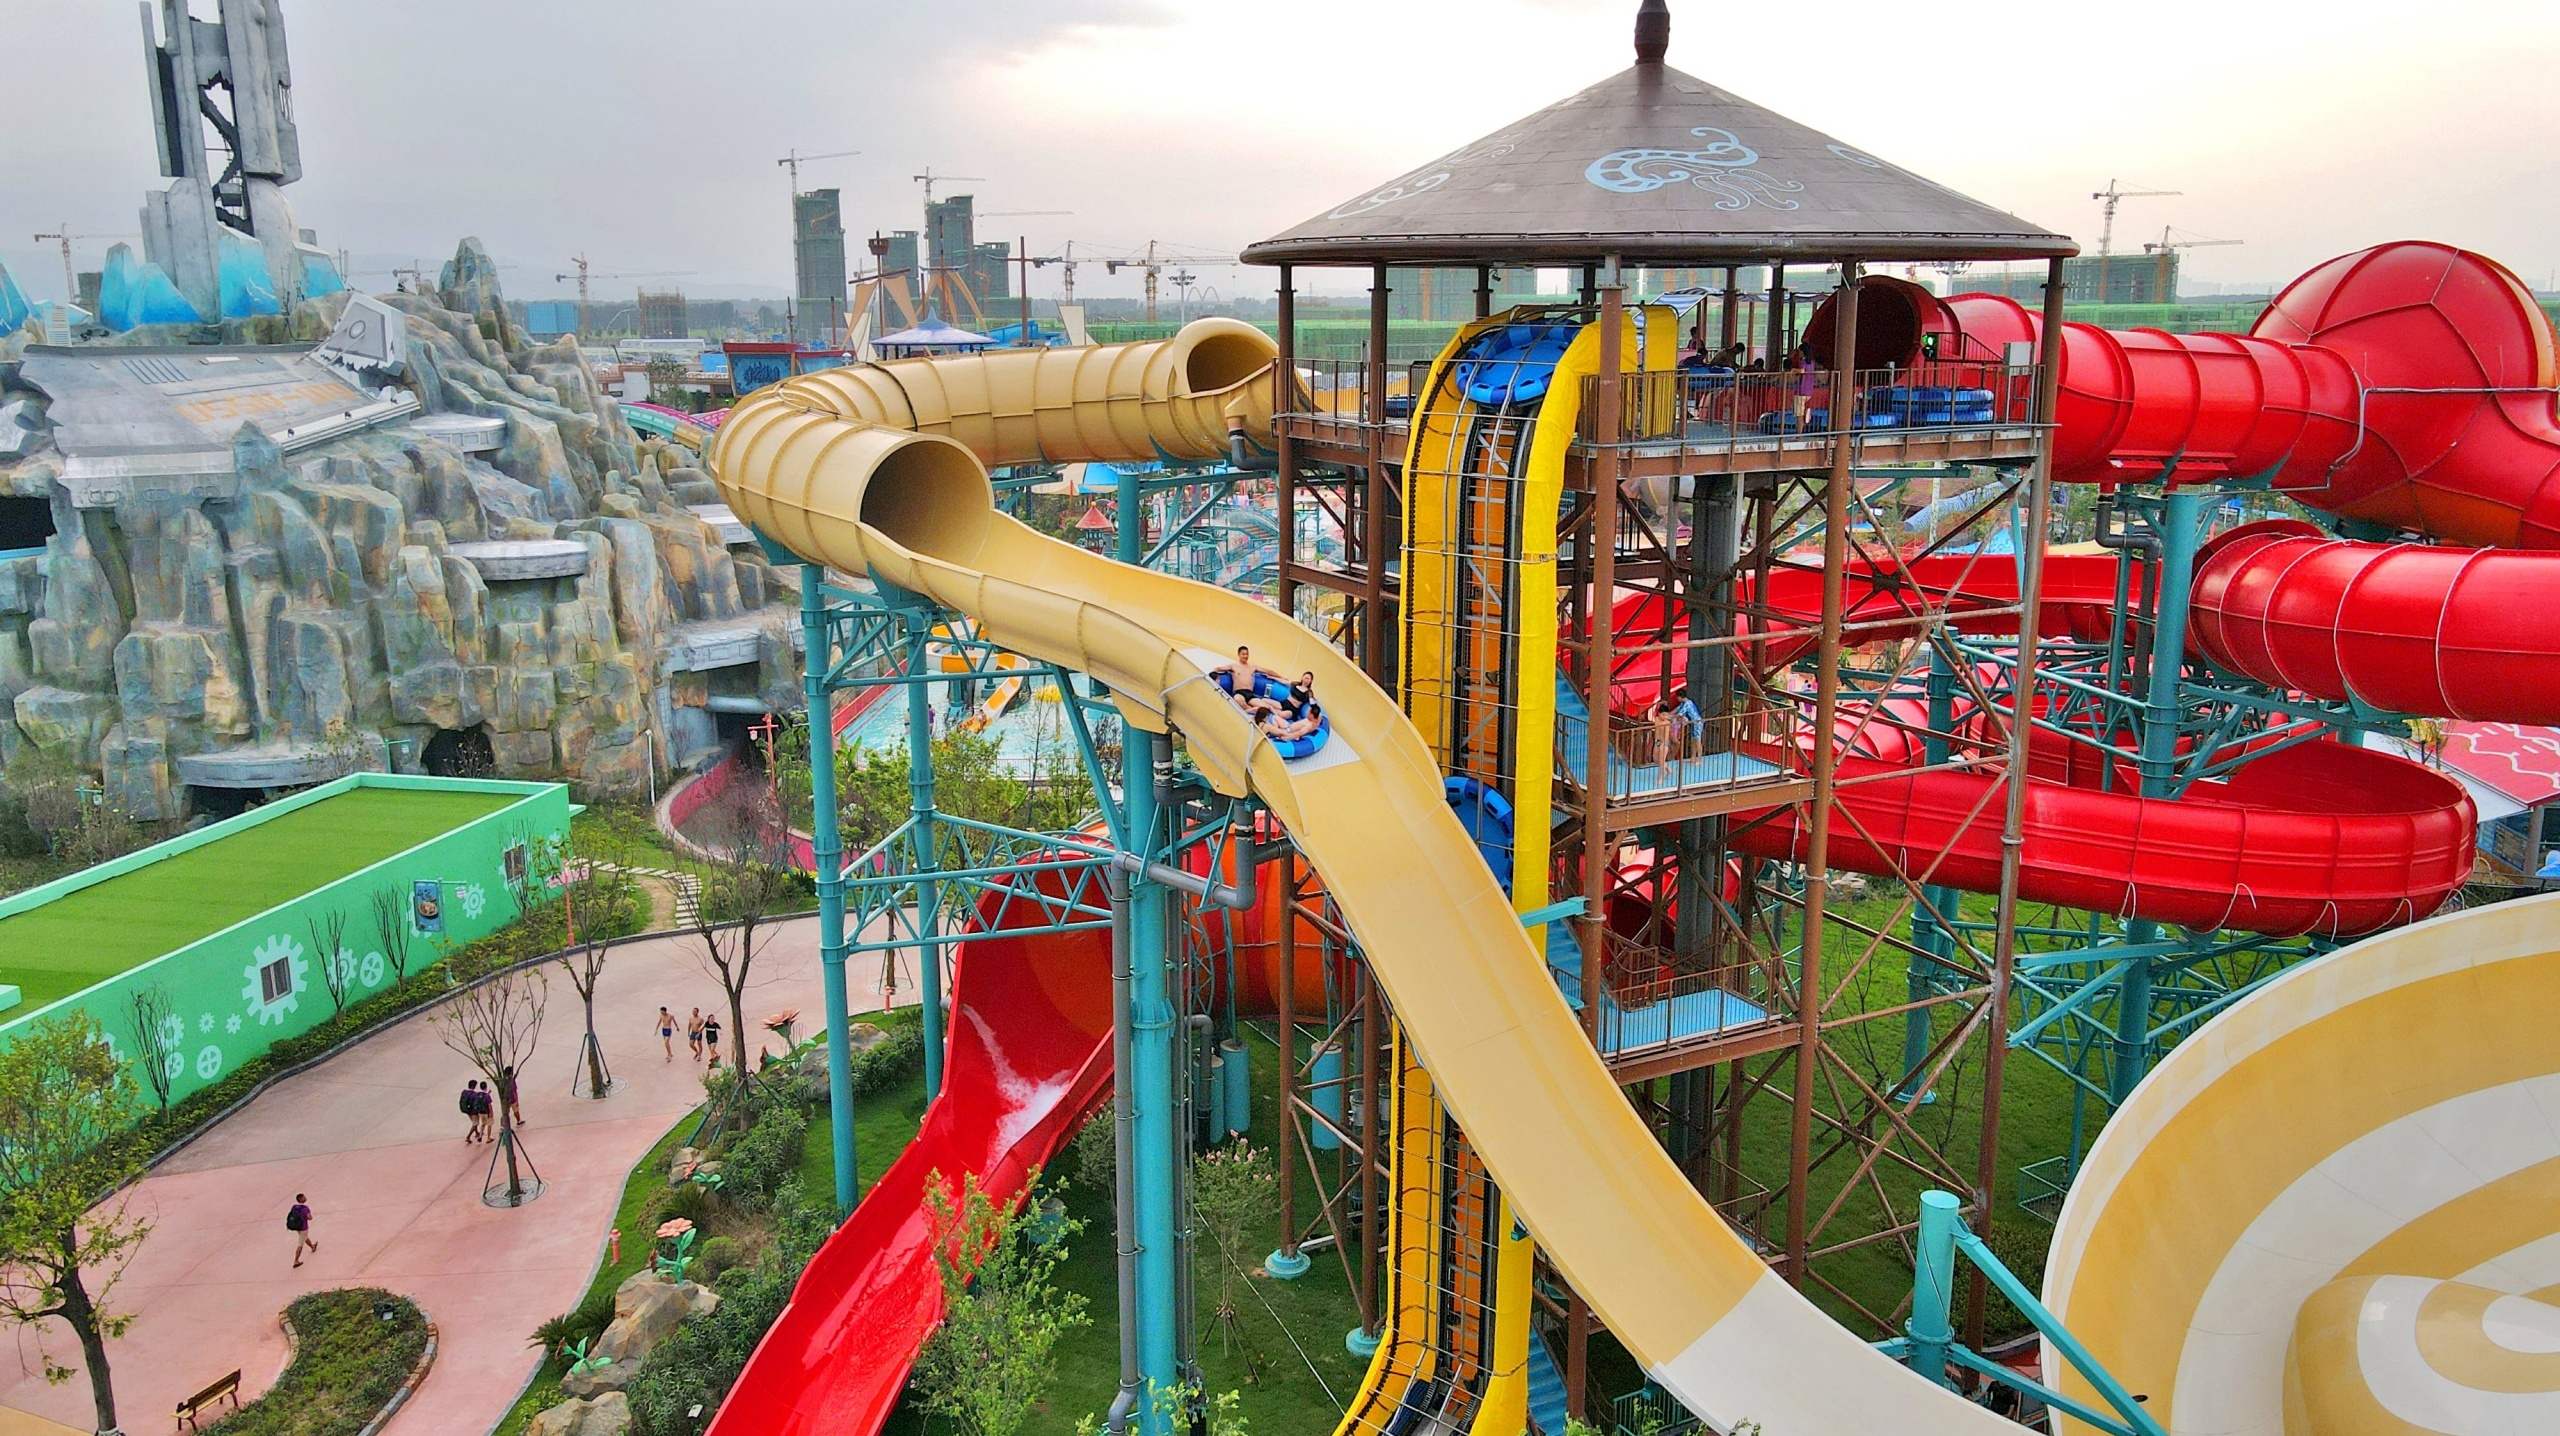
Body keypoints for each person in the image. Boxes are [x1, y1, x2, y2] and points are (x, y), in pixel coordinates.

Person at [1667, 684, 1704, 758]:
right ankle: (1693, 757)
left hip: (1697, 722)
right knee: (1693, 740)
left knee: (1697, 741)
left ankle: (1699, 758)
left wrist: (1670, 717)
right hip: (1693, 723)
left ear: (1679, 697)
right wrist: (1668, 715)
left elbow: (1679, 714)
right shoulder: (1683, 703)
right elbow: (1676, 710)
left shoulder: (1687, 704)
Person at [286, 1193, 317, 1268]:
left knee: (304, 1237)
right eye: (304, 1197)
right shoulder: (305, 1208)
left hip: (297, 1227)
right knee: (300, 1244)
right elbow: (310, 1218)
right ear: (302, 1199)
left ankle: (312, 1247)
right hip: (303, 1227)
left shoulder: (294, 1207)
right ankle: (296, 1260)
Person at [1791, 346, 1819, 428]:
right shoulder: (1812, 362)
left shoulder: (1803, 361)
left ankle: (1798, 435)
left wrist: (1794, 370)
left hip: (1801, 390)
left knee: (1799, 415)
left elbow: (1802, 371)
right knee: (1803, 412)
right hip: (1809, 390)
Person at [458, 1079, 481, 1144]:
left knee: (473, 1122)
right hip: (473, 1111)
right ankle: (468, 1137)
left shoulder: (464, 1092)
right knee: (475, 1124)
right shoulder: (474, 1095)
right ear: (474, 1086)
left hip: (466, 1110)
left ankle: (476, 1133)